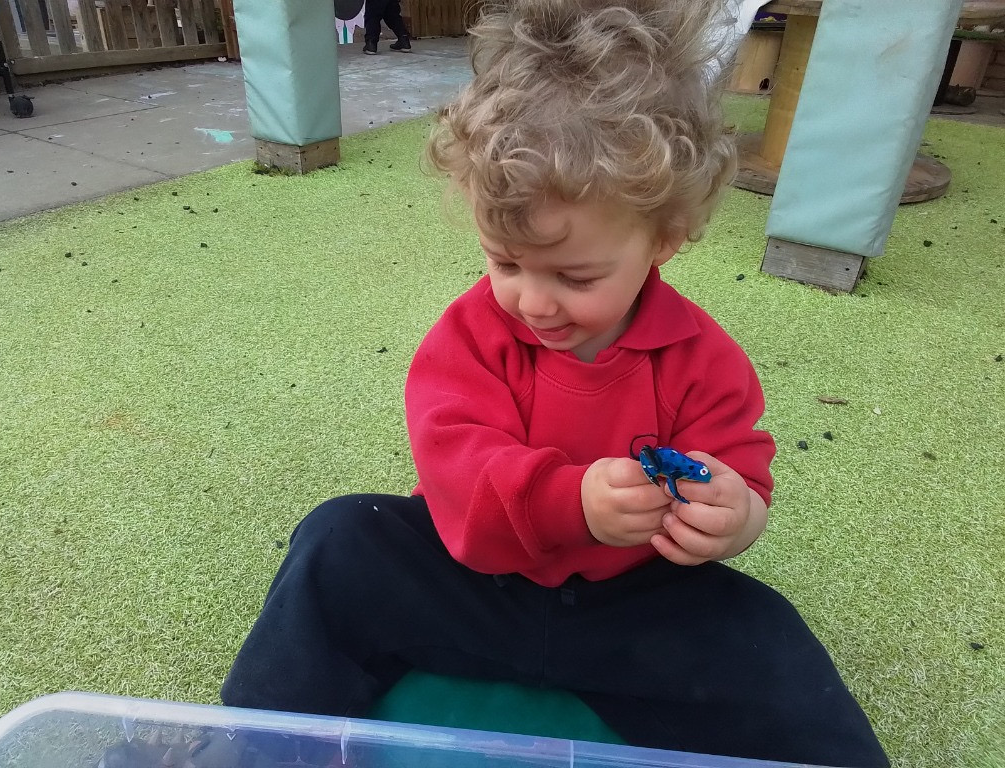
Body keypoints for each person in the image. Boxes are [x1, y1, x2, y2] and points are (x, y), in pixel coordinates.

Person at [222, 1, 889, 765]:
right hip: (473, 587)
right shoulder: (471, 335)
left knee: (773, 643)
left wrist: (733, 517)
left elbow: (737, 472)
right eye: (504, 263)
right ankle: (247, 750)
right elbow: (458, 473)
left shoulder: (704, 359)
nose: (534, 302)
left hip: (632, 607)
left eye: (575, 275)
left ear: (664, 238)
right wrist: (570, 501)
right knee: (337, 541)